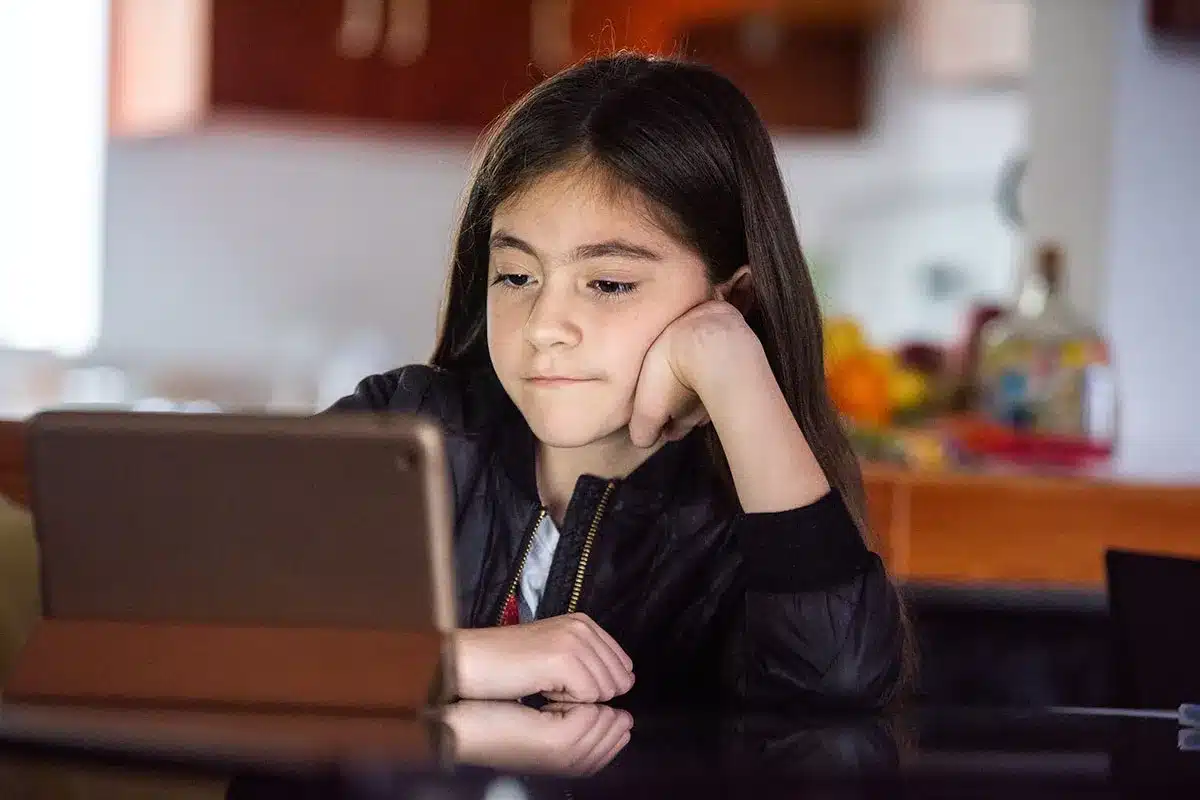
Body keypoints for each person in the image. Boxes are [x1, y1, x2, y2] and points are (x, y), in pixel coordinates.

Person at [332, 53, 910, 710]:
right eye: (518, 277)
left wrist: (733, 367)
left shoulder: (739, 513)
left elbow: (838, 689)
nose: (546, 326)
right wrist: (456, 662)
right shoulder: (403, 428)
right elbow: (205, 622)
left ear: (734, 298)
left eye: (608, 284)